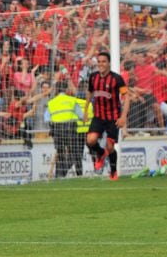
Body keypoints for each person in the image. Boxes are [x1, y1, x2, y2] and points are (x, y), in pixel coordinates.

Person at [84, 52, 130, 180]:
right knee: (90, 140)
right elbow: (89, 92)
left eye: (103, 61)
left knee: (110, 146)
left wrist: (123, 117)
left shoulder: (117, 78)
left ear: (109, 63)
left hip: (113, 117)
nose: (101, 64)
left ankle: (113, 171)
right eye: (99, 61)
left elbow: (126, 97)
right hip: (98, 116)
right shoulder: (93, 77)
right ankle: (100, 153)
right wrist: (86, 110)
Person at [45, 81, 83, 178]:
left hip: (57, 131)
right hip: (70, 130)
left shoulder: (51, 102)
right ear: (67, 90)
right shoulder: (72, 100)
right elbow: (81, 115)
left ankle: (59, 175)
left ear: (56, 90)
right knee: (75, 153)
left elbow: (46, 118)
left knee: (60, 154)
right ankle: (75, 174)